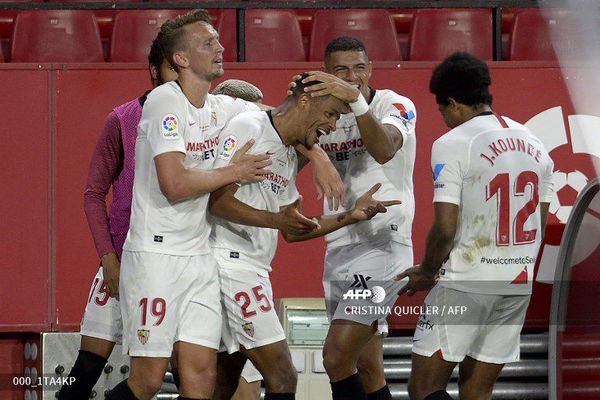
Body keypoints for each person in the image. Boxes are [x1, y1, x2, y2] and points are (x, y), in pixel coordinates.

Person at [105, 10, 271, 400]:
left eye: (218, 40)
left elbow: (276, 119)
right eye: (208, 42)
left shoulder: (220, 106)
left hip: (199, 260)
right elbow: (175, 183)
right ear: (180, 59)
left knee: (201, 378)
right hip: (155, 259)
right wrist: (235, 172)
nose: (221, 47)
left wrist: (319, 157)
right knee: (146, 380)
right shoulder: (165, 100)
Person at [208, 73, 402, 400]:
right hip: (229, 266)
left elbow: (294, 229)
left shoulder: (287, 153)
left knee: (222, 383)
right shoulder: (250, 127)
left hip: (252, 268)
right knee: (284, 375)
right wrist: (275, 219)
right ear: (304, 101)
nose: (331, 125)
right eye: (330, 115)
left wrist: (350, 215)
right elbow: (217, 201)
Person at [395, 52, 554, 400]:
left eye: (442, 110)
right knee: (477, 392)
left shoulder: (452, 144)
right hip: (516, 284)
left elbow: (445, 226)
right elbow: (540, 221)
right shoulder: (535, 143)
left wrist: (426, 270)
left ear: (451, 103)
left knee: (424, 388)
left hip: (466, 282)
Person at [57, 37, 177, 400]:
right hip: (121, 262)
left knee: (171, 376)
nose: (180, 77)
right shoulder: (123, 119)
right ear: (155, 71)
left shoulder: (200, 121)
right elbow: (93, 193)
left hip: (172, 266)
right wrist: (108, 259)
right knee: (84, 372)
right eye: (173, 68)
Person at [302, 36, 417, 400]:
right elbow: (280, 129)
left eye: (359, 67)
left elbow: (384, 149)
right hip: (339, 245)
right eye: (341, 70)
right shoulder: (323, 114)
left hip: (383, 245)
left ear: (370, 69)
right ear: (326, 73)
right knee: (367, 369)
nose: (352, 76)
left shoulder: (393, 104)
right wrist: (315, 153)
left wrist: (355, 101)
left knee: (335, 357)